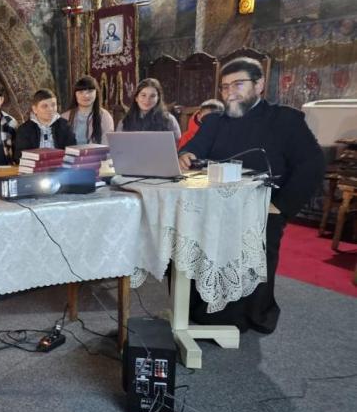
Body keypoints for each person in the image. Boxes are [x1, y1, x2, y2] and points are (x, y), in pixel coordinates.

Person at [178, 57, 324, 333]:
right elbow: (194, 147)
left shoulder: (285, 120)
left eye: (238, 84)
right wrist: (186, 154)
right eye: (224, 87)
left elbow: (312, 165)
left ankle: (249, 315)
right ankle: (200, 310)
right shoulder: (214, 121)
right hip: (213, 206)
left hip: (262, 208)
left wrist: (281, 206)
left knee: (253, 261)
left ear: (259, 85)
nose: (229, 92)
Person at [13, 89, 76, 159]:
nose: (50, 109)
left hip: (60, 164)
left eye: (53, 105)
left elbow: (72, 152)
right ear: (35, 109)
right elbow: (20, 156)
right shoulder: (25, 130)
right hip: (35, 165)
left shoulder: (65, 126)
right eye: (44, 106)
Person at [117, 77, 182, 141]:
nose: (147, 100)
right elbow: (118, 144)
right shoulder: (125, 122)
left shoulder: (169, 120)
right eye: (143, 95)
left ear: (158, 98)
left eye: (152, 96)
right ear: (136, 98)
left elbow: (177, 144)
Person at [61, 76, 115, 145]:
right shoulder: (64, 117)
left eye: (90, 91)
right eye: (81, 92)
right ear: (75, 95)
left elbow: (107, 144)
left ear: (96, 93)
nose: (86, 95)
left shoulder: (105, 117)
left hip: (98, 152)